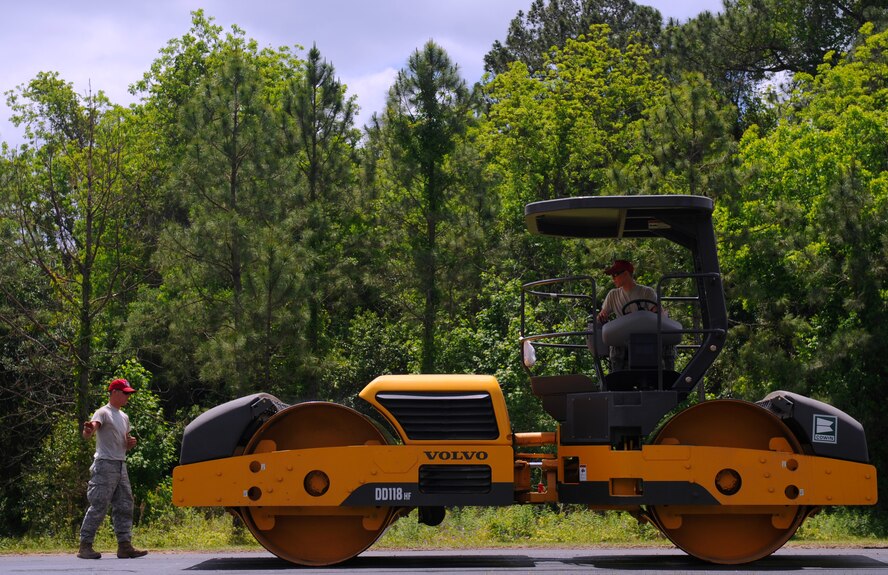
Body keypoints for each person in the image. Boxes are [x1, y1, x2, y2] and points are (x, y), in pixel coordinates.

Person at [76, 378, 148, 560]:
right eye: (125, 393)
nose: (128, 397)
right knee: (99, 504)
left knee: (125, 505)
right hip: (105, 464)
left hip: (120, 464)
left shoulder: (124, 416)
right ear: (114, 392)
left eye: (129, 394)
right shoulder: (103, 412)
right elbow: (92, 428)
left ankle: (124, 546)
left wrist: (130, 443)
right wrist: (88, 430)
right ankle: (85, 546)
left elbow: (124, 441)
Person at [597, 259, 659, 370]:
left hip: (644, 335)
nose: (613, 279)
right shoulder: (613, 295)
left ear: (626, 274)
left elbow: (658, 314)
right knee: (615, 343)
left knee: (652, 341)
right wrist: (602, 317)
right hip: (623, 337)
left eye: (615, 275)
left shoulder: (647, 292)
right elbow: (602, 314)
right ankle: (616, 377)